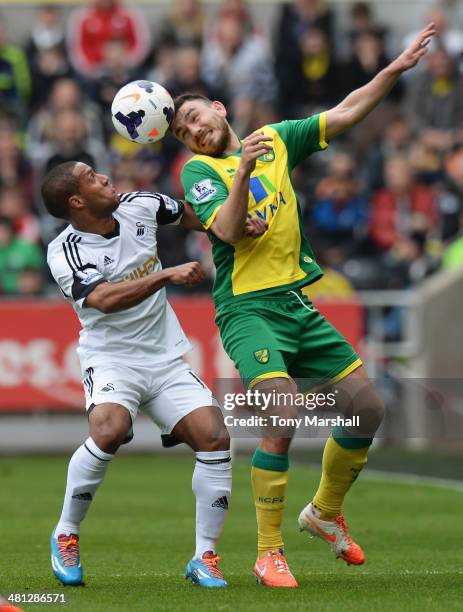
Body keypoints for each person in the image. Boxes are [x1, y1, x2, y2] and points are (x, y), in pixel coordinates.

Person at [171, 23, 436, 587]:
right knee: (281, 411)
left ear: (219, 109)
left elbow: (345, 111)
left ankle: (323, 511)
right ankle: (269, 552)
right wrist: (241, 169)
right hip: (246, 309)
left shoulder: (276, 137)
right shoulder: (199, 172)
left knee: (366, 408)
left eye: (197, 117)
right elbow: (226, 228)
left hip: (296, 302)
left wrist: (393, 69)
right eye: (183, 130)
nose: (194, 131)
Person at [42, 161, 264, 588]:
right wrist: (166, 274)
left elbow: (192, 215)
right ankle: (66, 532)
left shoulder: (140, 204)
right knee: (110, 429)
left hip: (163, 358)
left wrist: (233, 223)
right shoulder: (65, 249)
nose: (103, 177)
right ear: (76, 201)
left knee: (215, 436)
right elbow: (103, 299)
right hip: (111, 358)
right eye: (90, 177)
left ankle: (205, 557)